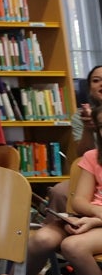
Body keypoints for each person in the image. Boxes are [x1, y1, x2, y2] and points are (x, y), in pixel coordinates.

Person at [26, 93, 102, 275]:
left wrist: (96, 220)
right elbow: (79, 201)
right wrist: (93, 215)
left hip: (95, 221)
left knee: (73, 246)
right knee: (42, 239)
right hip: (87, 217)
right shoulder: (93, 156)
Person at [49, 66, 100, 212]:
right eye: (96, 80)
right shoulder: (80, 116)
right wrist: (88, 129)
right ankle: (63, 223)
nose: (101, 84)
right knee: (58, 191)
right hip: (91, 173)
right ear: (89, 89)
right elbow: (83, 156)